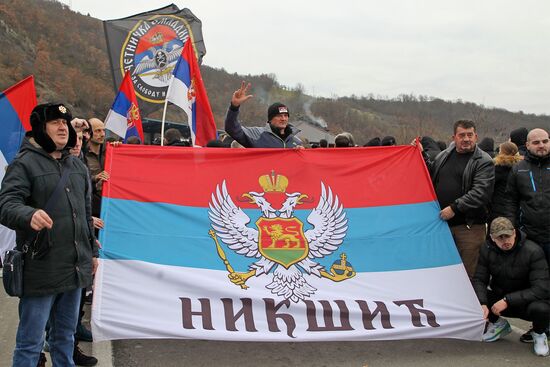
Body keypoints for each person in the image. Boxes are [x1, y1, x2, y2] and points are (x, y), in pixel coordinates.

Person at [0, 103, 98, 366]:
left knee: (65, 338)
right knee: (30, 343)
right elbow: (6, 205)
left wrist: (93, 253)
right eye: (55, 122)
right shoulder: (24, 163)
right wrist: (27, 215)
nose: (63, 127)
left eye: (65, 122)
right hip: (41, 268)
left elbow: (85, 214)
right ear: (40, 128)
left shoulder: (76, 167)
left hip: (75, 267)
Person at [414, 119, 495, 278]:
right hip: (442, 226)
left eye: (470, 135)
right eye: (462, 135)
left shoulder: (484, 161)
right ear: (454, 137)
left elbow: (481, 192)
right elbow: (430, 174)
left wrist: (454, 208)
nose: (466, 139)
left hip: (469, 227)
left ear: (476, 136)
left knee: (467, 274)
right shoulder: (444, 155)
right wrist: (421, 154)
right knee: (443, 272)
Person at [473, 217, 550, 356]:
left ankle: (539, 333)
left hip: (526, 302)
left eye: (507, 236)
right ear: (492, 238)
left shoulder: (533, 251)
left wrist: (508, 300)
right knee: (474, 294)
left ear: (514, 232)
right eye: (500, 238)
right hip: (500, 297)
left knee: (542, 308)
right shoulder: (486, 248)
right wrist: (482, 303)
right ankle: (498, 324)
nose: (505, 241)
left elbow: (542, 289)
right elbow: (479, 279)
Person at [224, 82, 302, 148]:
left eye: (286, 115)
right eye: (279, 116)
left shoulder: (296, 142)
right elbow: (232, 129)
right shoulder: (257, 134)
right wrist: (234, 107)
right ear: (270, 119)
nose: (283, 119)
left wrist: (301, 153)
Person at [489, 142, 522, 222]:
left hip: (498, 207)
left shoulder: (498, 168)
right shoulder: (520, 167)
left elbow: (489, 186)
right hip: (516, 206)